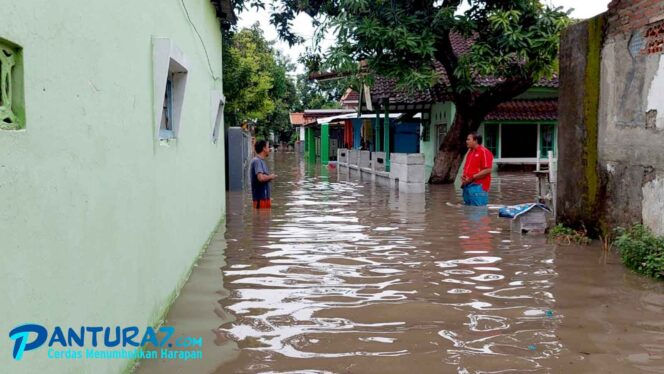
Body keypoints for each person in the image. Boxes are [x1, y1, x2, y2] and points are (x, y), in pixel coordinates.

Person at [461, 131, 494, 206]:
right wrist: (464, 178)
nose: (466, 141)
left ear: (475, 141)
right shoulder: (470, 152)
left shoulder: (484, 152)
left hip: (478, 186)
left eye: (469, 139)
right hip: (467, 185)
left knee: (478, 211)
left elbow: (488, 170)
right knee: (468, 211)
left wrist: (472, 177)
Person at [250, 140, 277, 209]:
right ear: (264, 148)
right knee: (261, 218)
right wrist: (270, 177)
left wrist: (269, 177)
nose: (269, 149)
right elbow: (261, 178)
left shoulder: (261, 161)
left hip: (264, 198)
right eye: (268, 147)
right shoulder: (257, 161)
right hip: (260, 199)